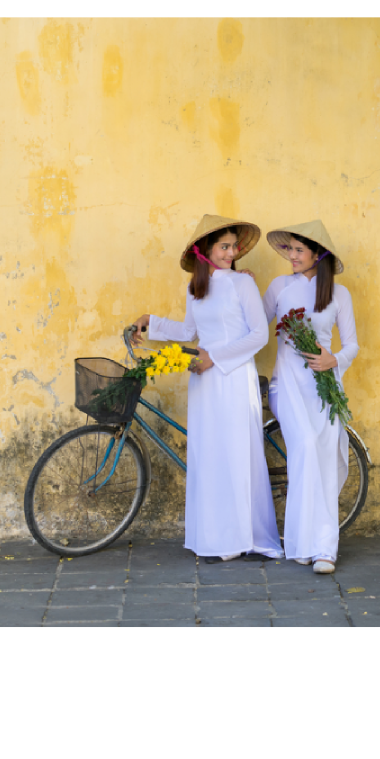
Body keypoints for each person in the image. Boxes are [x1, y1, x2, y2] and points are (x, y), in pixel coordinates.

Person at [131, 214, 282, 561]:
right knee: (211, 456)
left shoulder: (242, 284)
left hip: (232, 374)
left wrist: (215, 357)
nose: (231, 253)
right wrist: (149, 321)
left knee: (235, 454)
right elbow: (188, 333)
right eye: (224, 247)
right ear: (205, 252)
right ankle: (217, 537)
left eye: (234, 246)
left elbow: (258, 335)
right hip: (204, 382)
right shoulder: (195, 289)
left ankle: (241, 538)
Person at [262, 220, 358, 573]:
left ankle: (324, 549)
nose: (291, 256)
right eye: (289, 249)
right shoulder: (279, 288)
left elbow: (352, 344)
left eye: (299, 250)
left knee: (323, 456)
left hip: (324, 387)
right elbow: (257, 328)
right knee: (303, 446)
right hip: (286, 384)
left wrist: (334, 359)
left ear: (318, 255)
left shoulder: (338, 294)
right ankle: (303, 543)